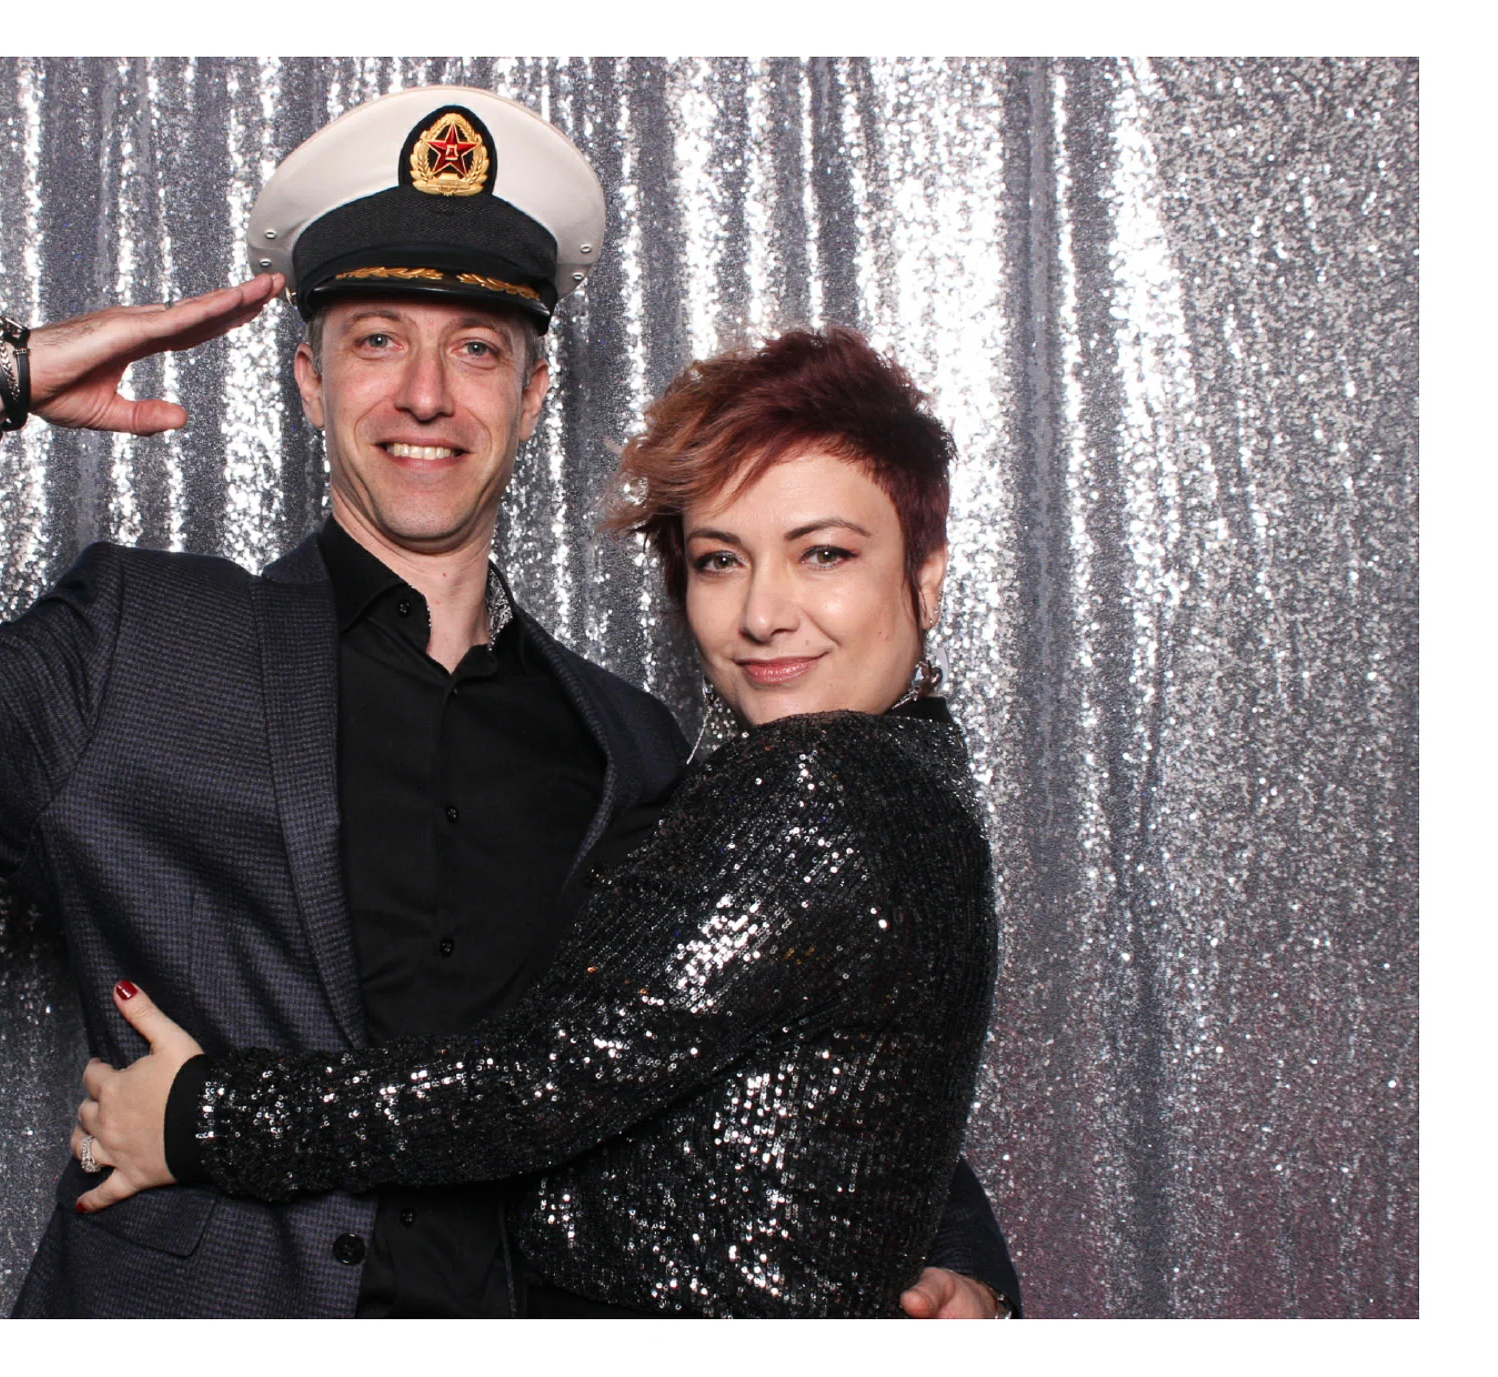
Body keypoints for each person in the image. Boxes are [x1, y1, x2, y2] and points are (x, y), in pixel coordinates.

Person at [0, 84, 1017, 1317]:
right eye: (376, 341)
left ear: (532, 396)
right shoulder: (137, 647)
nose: (425, 394)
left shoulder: (627, 737)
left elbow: (774, 1015)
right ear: (310, 380)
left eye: (477, 348)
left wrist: (955, 1256)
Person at [62, 324, 1002, 1317]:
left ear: (926, 576)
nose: (763, 611)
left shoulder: (807, 782)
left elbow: (549, 1080)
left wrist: (204, 1117)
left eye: (823, 553)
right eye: (721, 560)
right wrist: (970, 1280)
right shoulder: (921, 781)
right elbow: (847, 1088)